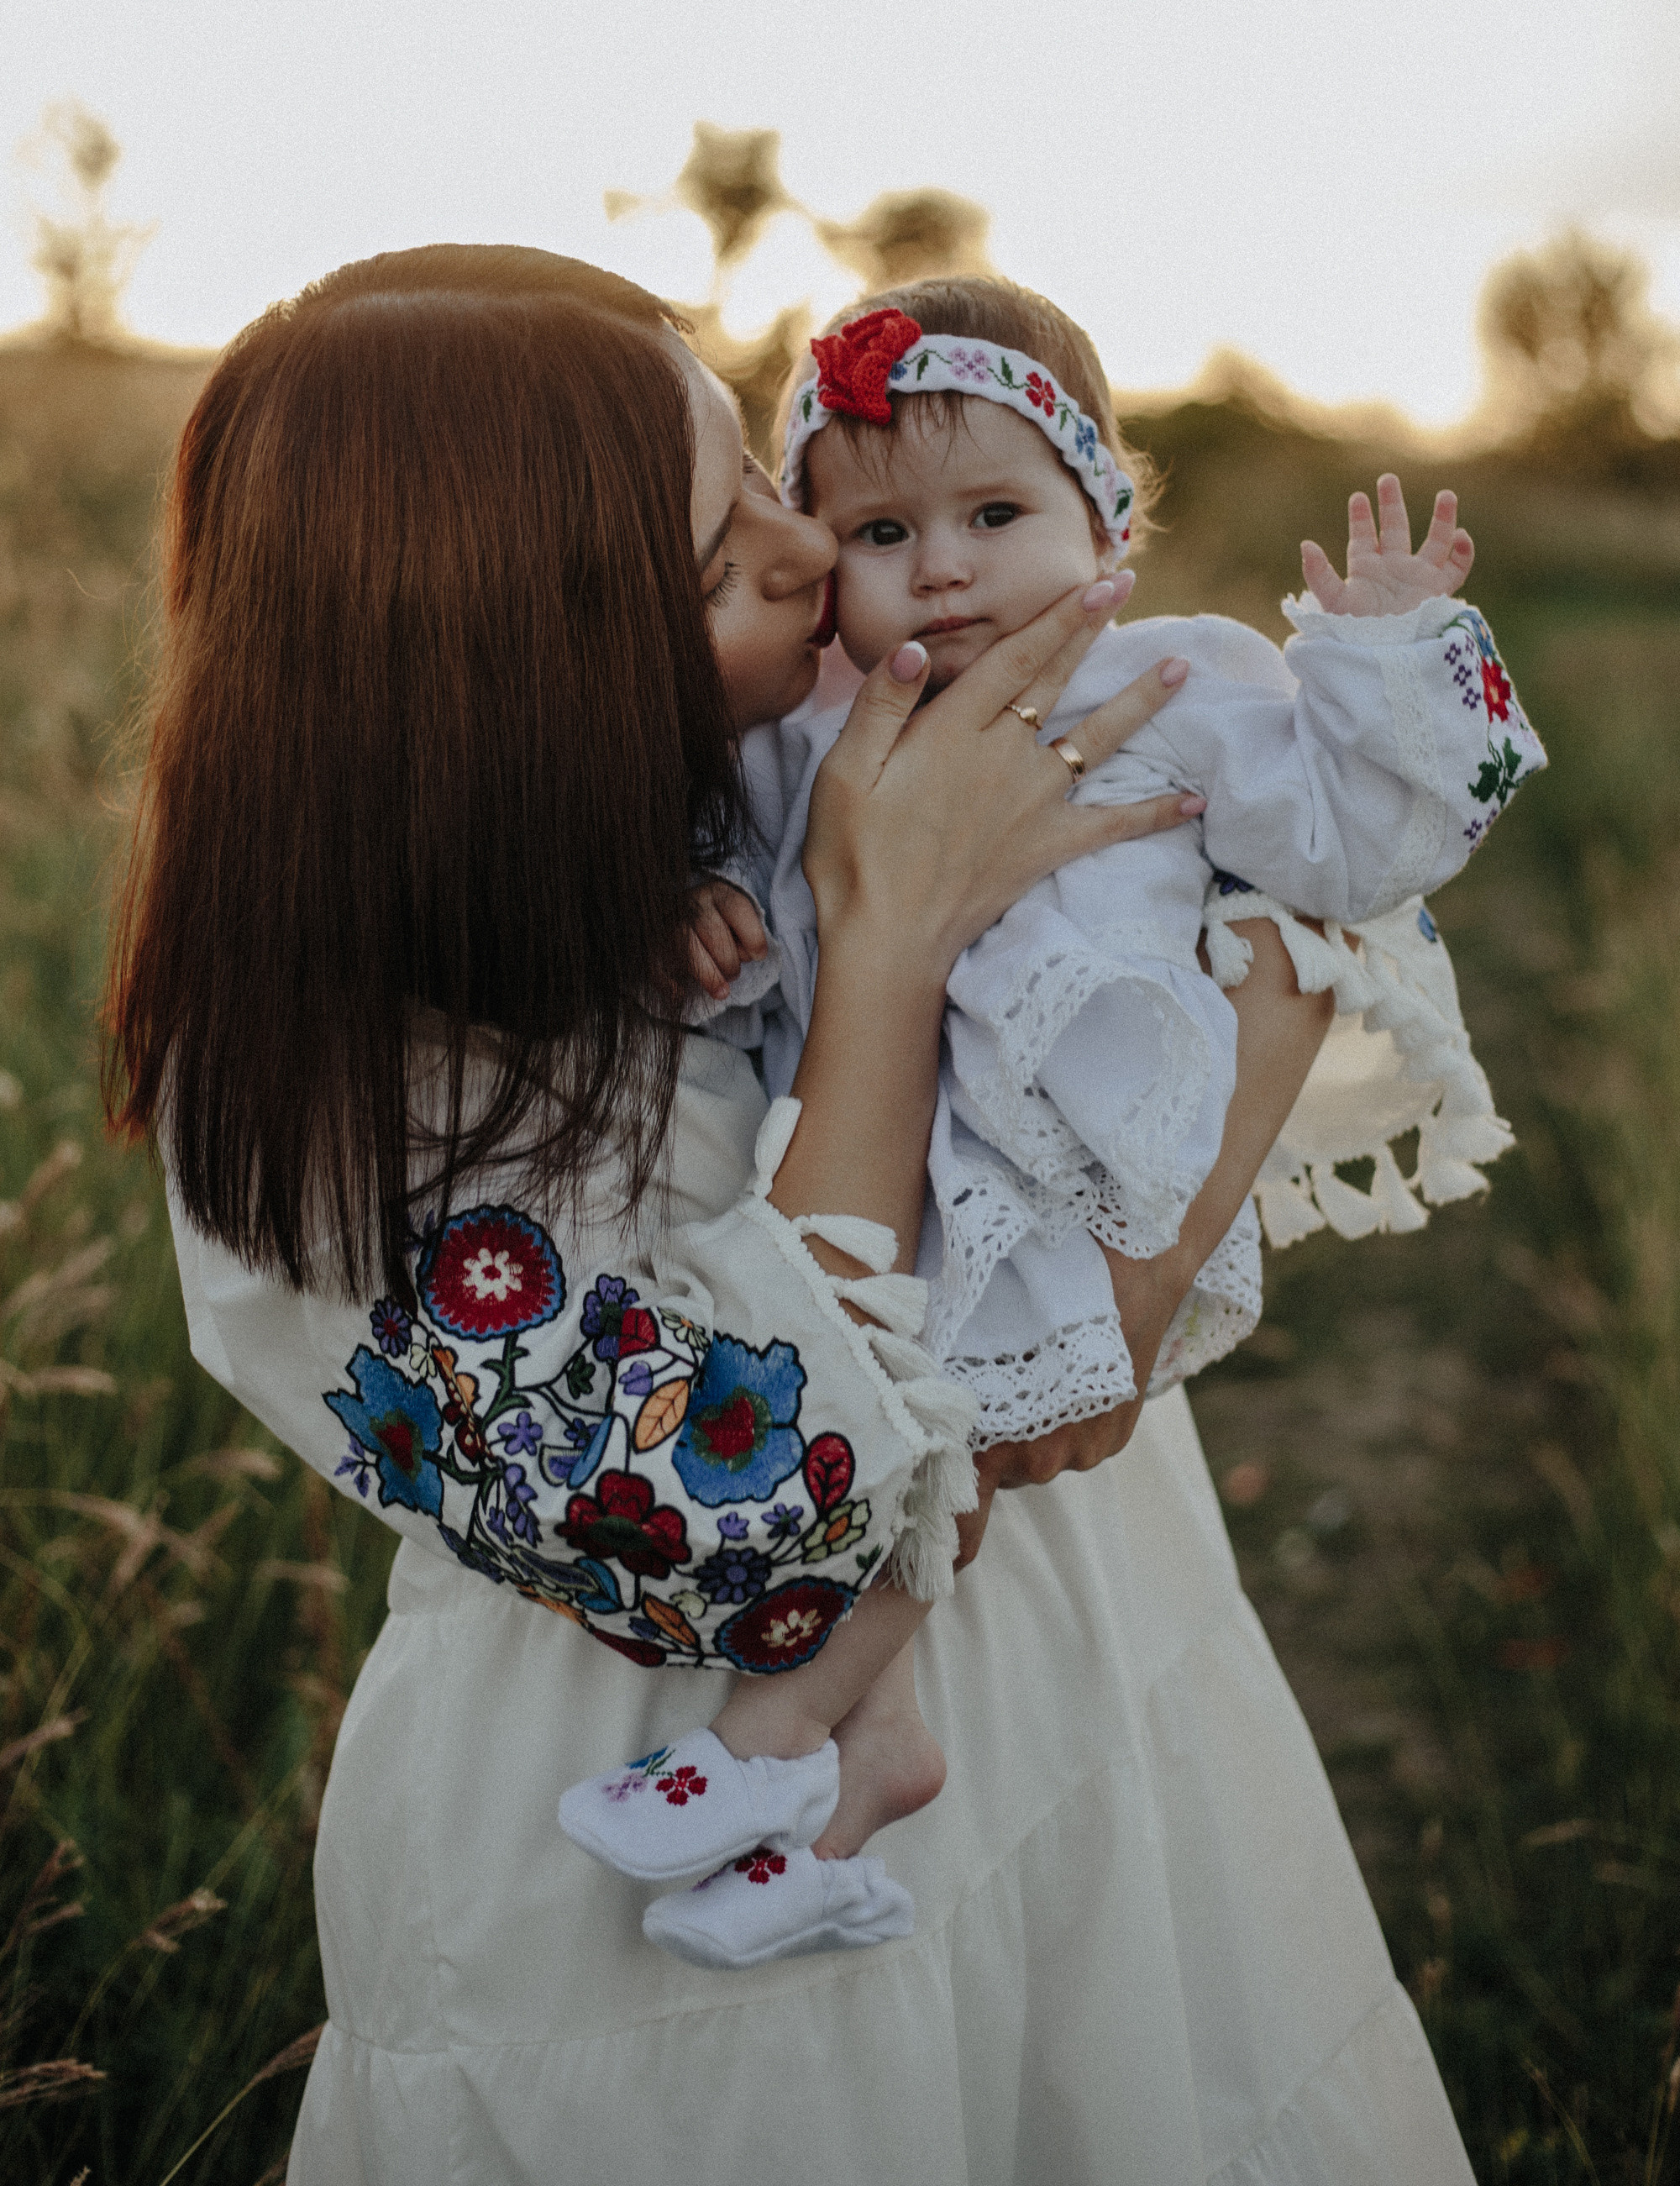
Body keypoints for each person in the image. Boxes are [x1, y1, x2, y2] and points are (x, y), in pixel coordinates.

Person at [105, 244, 1475, 2181]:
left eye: (763, 471)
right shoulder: (331, 1107)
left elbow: (1206, 1093)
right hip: (652, 1861)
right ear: (526, 645)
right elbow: (776, 1512)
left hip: (1075, 1683)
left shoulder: (774, 783)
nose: (800, 540)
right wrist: (896, 938)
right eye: (723, 538)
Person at [560, 278, 1544, 1964]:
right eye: (878, 530)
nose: (939, 566)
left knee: (949, 1424)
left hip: (1086, 1148)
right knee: (899, 1417)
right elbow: (741, 880)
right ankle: (876, 1751)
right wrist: (692, 904)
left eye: (995, 513)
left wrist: (1383, 663)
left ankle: (772, 1735)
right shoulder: (808, 731)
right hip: (893, 1155)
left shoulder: (1179, 676)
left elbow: (1350, 852)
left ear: (1105, 517)